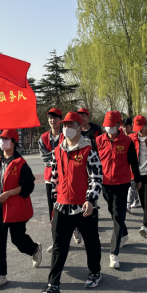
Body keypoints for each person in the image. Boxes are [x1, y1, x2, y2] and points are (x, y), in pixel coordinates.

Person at [39, 112, 103, 293]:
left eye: (71, 125)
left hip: (84, 207)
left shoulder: (88, 151)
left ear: (79, 127)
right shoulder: (57, 151)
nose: (67, 128)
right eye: (65, 125)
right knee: (59, 246)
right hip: (62, 207)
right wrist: (54, 201)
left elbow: (96, 177)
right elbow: (54, 178)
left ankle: (95, 272)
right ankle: (53, 286)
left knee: (91, 242)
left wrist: (91, 200)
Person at [0, 129, 41, 291]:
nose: (2, 142)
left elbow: (28, 186)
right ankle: (0, 275)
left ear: (13, 142)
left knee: (18, 240)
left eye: (6, 139)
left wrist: (9, 193)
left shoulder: (20, 163)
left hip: (14, 208)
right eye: (1, 139)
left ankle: (34, 249)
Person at [97, 111, 141, 269]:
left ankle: (113, 253)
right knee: (113, 211)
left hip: (122, 183)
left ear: (118, 125)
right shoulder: (98, 141)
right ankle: (124, 233)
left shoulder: (127, 141)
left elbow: (134, 162)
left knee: (117, 215)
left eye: (112, 125)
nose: (109, 128)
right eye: (106, 125)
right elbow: (94, 162)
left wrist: (138, 180)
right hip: (105, 183)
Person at [39, 108, 82, 252]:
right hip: (50, 179)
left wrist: (57, 155)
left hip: (68, 177)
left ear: (61, 120)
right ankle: (56, 241)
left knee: (72, 206)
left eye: (56, 118)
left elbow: (72, 151)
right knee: (53, 210)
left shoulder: (67, 134)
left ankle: (76, 228)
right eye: (50, 118)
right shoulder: (43, 138)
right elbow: (46, 159)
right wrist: (58, 153)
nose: (52, 120)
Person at [123, 118, 141, 212]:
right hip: (124, 165)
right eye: (123, 127)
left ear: (131, 126)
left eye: (127, 127)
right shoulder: (120, 137)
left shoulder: (135, 137)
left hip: (134, 163)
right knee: (130, 185)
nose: (125, 129)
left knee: (132, 184)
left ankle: (128, 204)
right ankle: (136, 199)